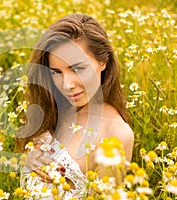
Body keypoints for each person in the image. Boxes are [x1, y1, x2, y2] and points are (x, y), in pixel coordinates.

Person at [17, 13, 134, 199]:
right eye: (56, 72)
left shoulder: (116, 134)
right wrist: (30, 155)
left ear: (103, 62)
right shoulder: (54, 106)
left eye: (77, 69)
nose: (66, 84)